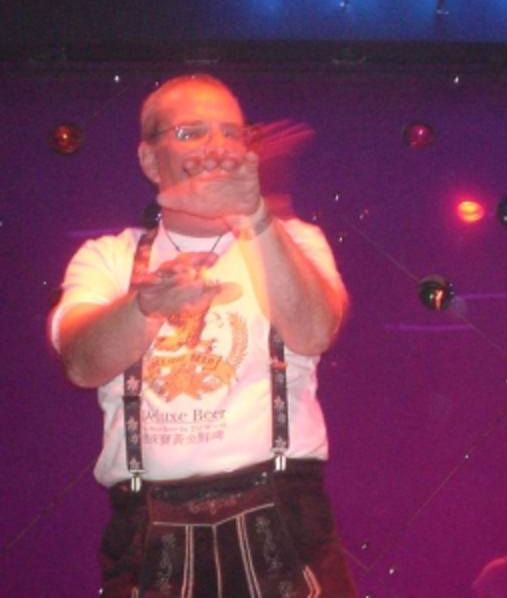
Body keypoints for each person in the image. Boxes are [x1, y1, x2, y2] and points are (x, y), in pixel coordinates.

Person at [48, 74, 358, 597]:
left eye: (230, 133)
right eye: (191, 132)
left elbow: (314, 330)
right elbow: (81, 362)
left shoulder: (296, 240)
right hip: (149, 529)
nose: (215, 147)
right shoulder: (108, 257)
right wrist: (147, 305)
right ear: (149, 159)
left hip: (284, 517)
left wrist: (254, 215)